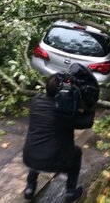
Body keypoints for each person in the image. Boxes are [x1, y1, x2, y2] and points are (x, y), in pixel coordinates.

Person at [22, 73, 96, 202]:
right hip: (54, 161)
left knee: (39, 148)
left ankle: (30, 188)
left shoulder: (36, 101)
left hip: (30, 157)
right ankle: (70, 192)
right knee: (77, 152)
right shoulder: (65, 113)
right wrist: (90, 105)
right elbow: (87, 122)